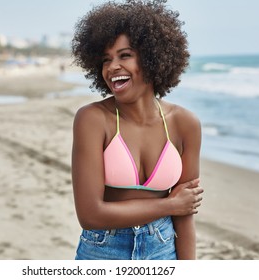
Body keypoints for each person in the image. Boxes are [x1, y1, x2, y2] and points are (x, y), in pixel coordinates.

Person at [71, 0, 203, 260]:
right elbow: (90, 215)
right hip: (103, 249)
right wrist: (170, 205)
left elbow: (185, 214)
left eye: (125, 55)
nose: (112, 68)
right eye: (106, 59)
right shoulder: (93, 119)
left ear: (153, 56)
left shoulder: (185, 123)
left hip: (164, 247)